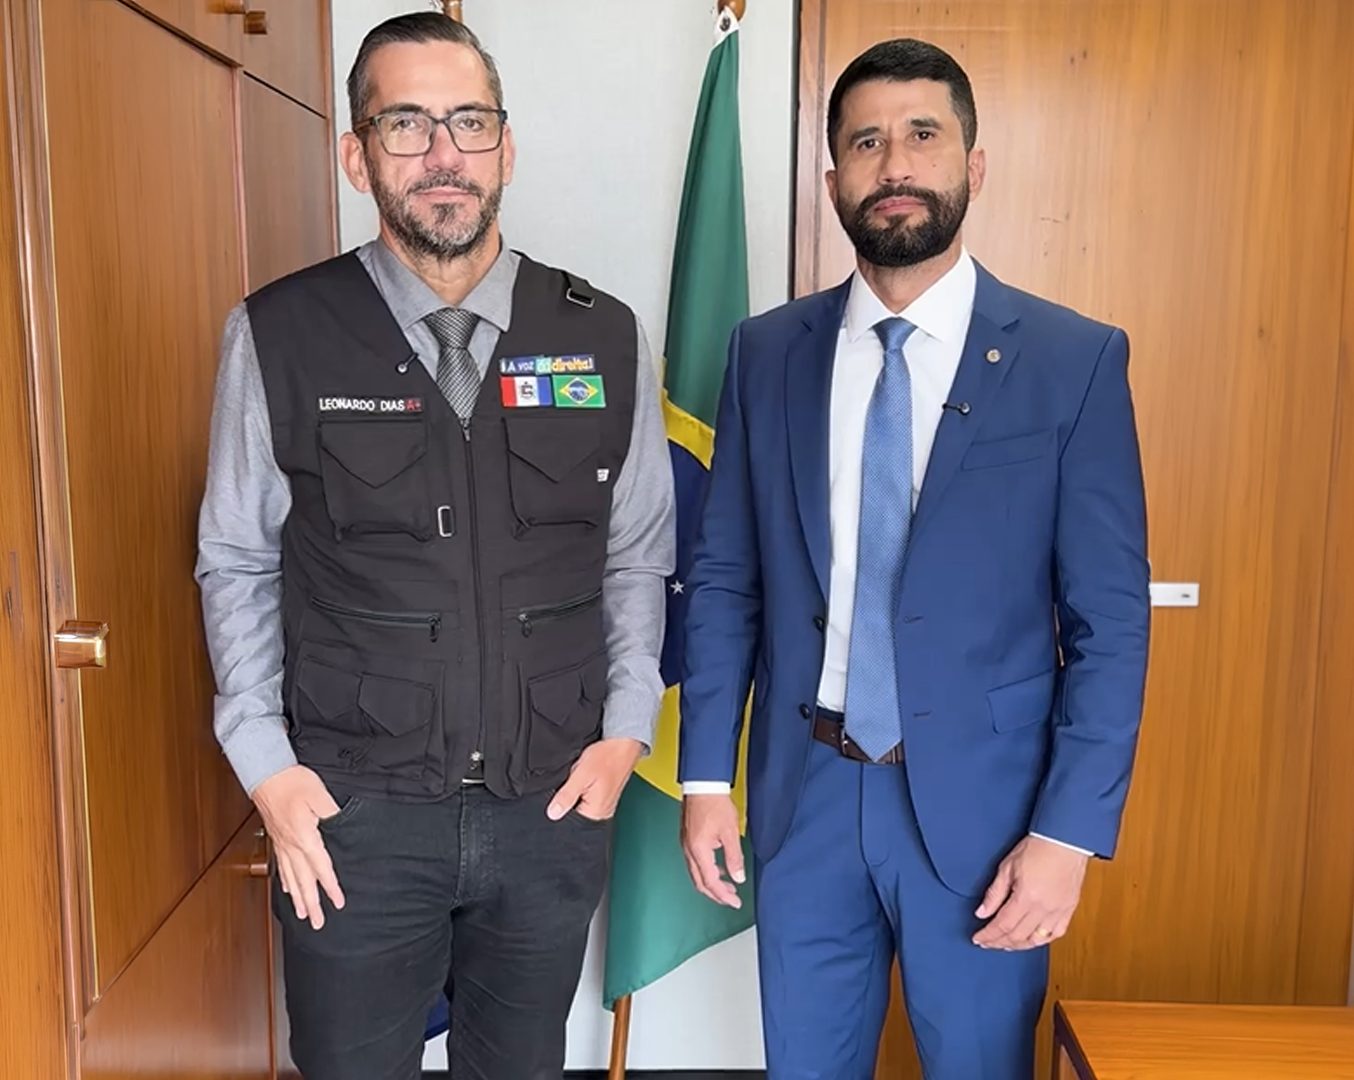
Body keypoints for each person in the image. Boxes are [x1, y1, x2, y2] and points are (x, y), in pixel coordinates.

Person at [195, 13, 674, 1079]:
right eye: (405, 124)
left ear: (507, 146)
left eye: (469, 121)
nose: (443, 153)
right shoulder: (279, 333)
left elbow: (638, 552)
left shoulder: (602, 335)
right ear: (355, 155)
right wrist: (266, 766)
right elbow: (237, 559)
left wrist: (626, 731)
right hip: (353, 811)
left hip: (551, 802)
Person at [677, 37, 1150, 1080]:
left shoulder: (1072, 361)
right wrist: (705, 774)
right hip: (804, 795)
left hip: (988, 817)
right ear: (833, 179)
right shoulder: (766, 353)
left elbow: (1109, 626)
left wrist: (1068, 835)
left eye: (922, 135)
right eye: (866, 142)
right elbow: (724, 579)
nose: (895, 164)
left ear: (973, 166)